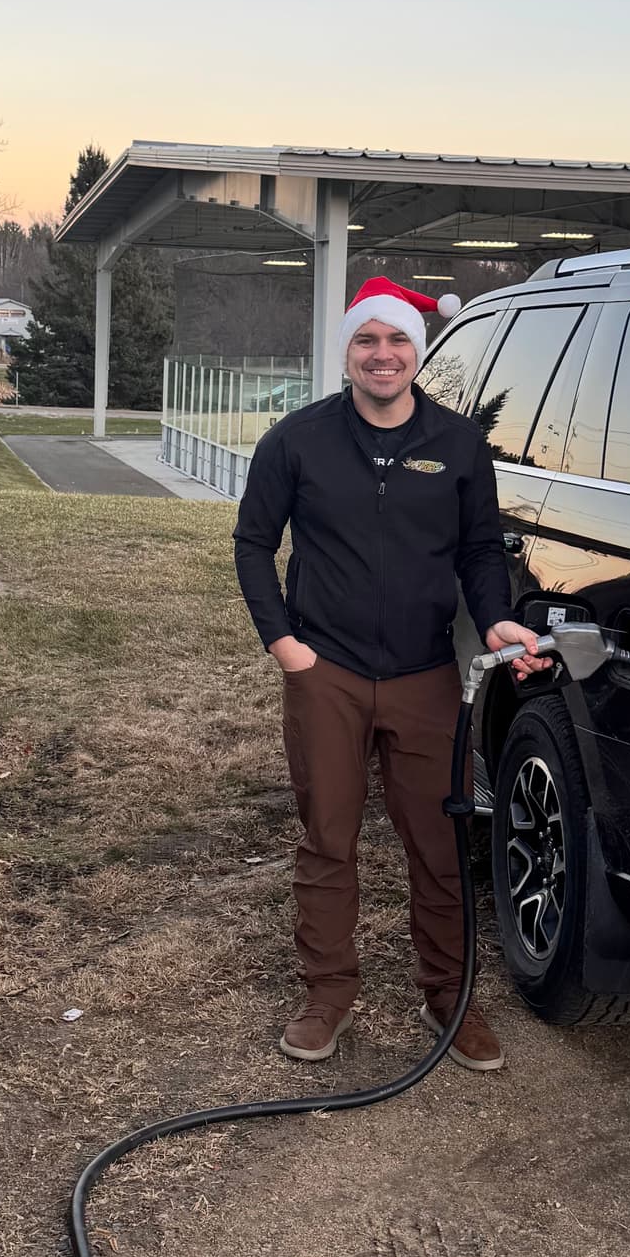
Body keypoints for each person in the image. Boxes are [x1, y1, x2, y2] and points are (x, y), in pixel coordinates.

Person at [233, 275, 550, 1072]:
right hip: (326, 671)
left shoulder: (458, 444)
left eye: (398, 338)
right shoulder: (297, 440)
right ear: (347, 353)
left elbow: (480, 549)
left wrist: (496, 618)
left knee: (439, 844)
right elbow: (253, 543)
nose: (383, 354)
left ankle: (448, 996)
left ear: (417, 350)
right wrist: (284, 645)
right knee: (328, 839)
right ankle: (327, 996)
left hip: (424, 672)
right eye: (367, 340)